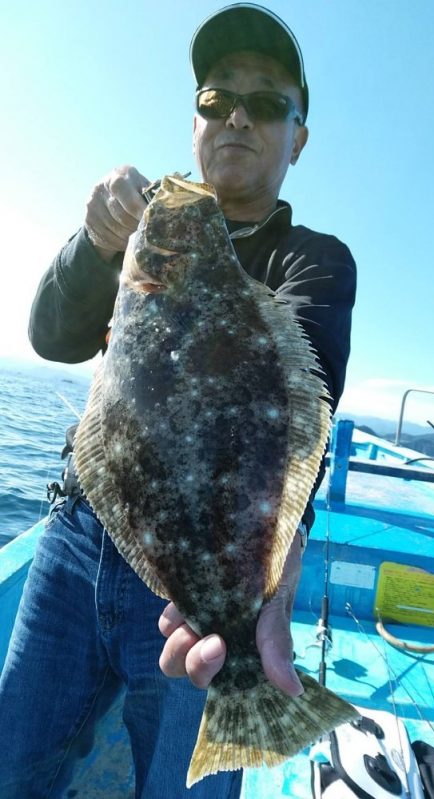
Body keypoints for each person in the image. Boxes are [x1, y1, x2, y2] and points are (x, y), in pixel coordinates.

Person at [0, 4, 356, 798]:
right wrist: (92, 245)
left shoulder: (313, 260)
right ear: (193, 119)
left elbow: (304, 400)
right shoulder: (132, 241)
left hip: (191, 575)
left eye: (267, 103)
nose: (236, 114)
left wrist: (268, 570)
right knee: (13, 764)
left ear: (298, 137)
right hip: (74, 536)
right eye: (215, 98)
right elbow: (52, 335)